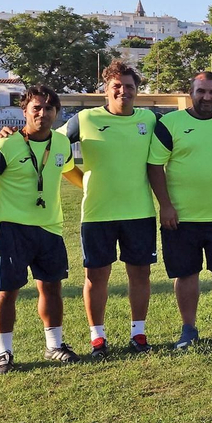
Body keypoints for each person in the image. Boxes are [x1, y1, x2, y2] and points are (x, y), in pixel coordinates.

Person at [0, 84, 82, 373]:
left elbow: (69, 171)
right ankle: (4, 354)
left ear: (57, 113)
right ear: (25, 111)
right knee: (6, 291)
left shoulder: (60, 144)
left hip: (49, 229)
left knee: (52, 288)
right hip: (12, 229)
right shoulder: (3, 145)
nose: (42, 113)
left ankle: (54, 346)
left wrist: (95, 188)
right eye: (36, 107)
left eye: (49, 108)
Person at [61, 60, 158, 355]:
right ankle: (97, 338)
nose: (123, 92)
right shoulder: (84, 119)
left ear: (137, 91)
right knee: (96, 276)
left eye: (129, 87)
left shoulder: (150, 120)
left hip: (139, 212)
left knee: (140, 275)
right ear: (106, 90)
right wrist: (83, 183)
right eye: (117, 86)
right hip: (97, 214)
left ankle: (138, 334)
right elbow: (52, 147)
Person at [148, 71, 212, 349]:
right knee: (186, 274)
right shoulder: (170, 123)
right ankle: (188, 329)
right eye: (201, 91)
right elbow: (155, 166)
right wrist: (165, 206)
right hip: (181, 218)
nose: (207, 97)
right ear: (189, 92)